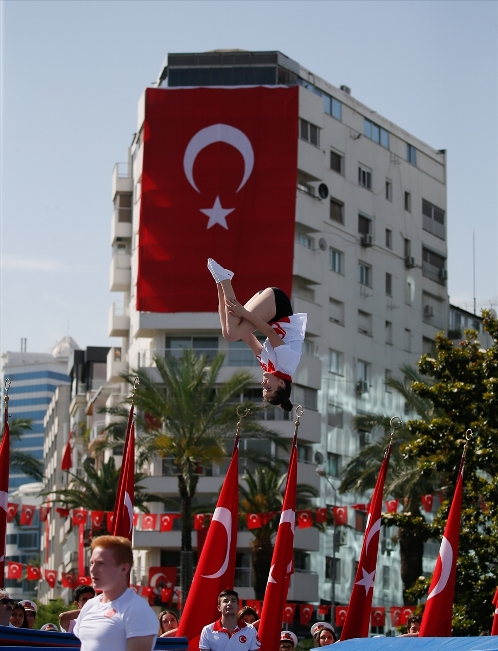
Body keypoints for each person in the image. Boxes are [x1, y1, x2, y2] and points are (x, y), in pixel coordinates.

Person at [207, 259, 307, 411]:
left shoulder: (268, 366)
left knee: (228, 334)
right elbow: (270, 332)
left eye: (263, 389)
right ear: (281, 383)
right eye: (268, 388)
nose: (263, 384)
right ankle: (225, 280)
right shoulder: (287, 364)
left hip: (267, 309)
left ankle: (220, 283)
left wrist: (226, 318)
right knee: (233, 333)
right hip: (276, 303)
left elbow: (248, 338)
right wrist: (243, 313)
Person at [73, 535, 158, 651]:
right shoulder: (89, 606)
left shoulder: (137, 609)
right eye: (92, 563)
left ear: (123, 569)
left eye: (100, 563)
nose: (92, 569)